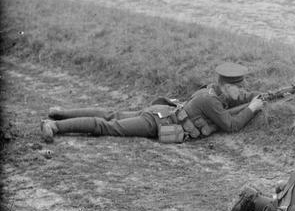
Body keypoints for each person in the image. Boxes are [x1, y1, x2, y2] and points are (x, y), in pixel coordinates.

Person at [40, 62, 264, 143]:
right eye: (239, 87)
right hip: (156, 123)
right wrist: (253, 109)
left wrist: (258, 96)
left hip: (159, 113)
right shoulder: (211, 101)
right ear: (226, 86)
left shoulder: (215, 91)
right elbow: (232, 125)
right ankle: (55, 125)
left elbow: (241, 98)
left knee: (111, 115)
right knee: (109, 126)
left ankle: (60, 113)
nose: (242, 91)